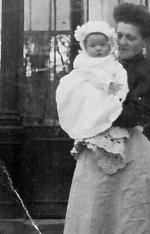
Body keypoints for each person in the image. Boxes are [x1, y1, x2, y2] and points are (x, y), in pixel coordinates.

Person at [51, 3, 150, 234]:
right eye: (120, 35)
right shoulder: (99, 62)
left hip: (129, 154)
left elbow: (134, 113)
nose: (123, 42)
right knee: (93, 221)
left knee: (131, 230)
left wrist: (97, 110)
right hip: (96, 153)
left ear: (144, 41)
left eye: (131, 37)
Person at [56, 20, 130, 175]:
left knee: (105, 108)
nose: (98, 49)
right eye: (93, 46)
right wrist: (106, 82)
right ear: (85, 47)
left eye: (102, 45)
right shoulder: (84, 61)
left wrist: (119, 87)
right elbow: (88, 73)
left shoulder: (112, 62)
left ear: (109, 45)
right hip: (88, 91)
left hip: (105, 95)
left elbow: (119, 73)